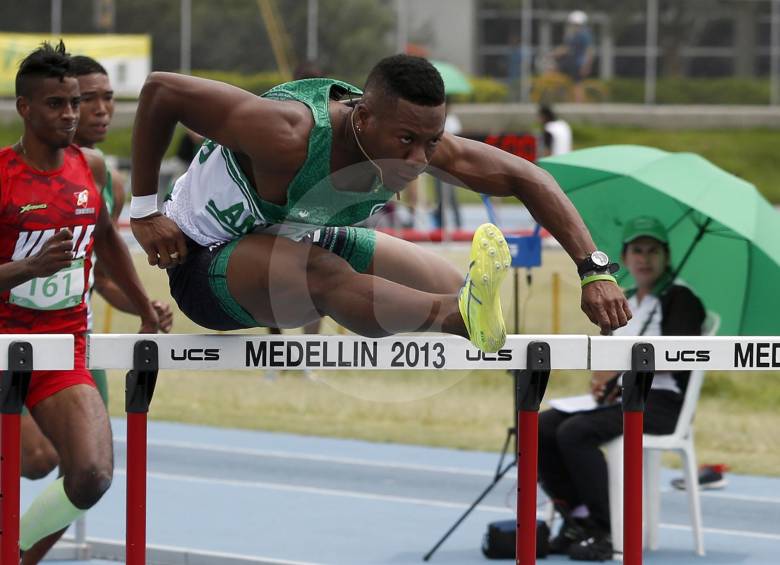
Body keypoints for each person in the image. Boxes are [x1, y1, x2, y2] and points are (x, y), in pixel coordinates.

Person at [129, 54, 630, 354]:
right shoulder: (286, 133)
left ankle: (463, 307)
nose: (418, 161)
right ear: (363, 119)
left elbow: (528, 177)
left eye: (431, 142)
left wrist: (594, 270)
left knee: (440, 281)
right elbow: (161, 90)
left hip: (294, 235)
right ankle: (459, 318)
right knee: (324, 274)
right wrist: (146, 210)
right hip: (202, 261)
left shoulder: (424, 144)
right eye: (407, 140)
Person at [0, 41, 161, 564]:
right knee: (34, 459)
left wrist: (142, 304)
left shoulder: (90, 168)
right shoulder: (2, 175)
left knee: (90, 474)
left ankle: (16, 554)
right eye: (56, 104)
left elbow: (108, 242)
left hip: (60, 345)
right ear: (24, 107)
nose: (71, 114)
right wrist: (26, 268)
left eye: (74, 102)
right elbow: (33, 267)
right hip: (1, 344)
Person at [537, 216, 706, 561]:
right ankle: (578, 518)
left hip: (661, 404)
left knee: (575, 433)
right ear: (625, 258)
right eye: (637, 251)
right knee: (542, 426)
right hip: (623, 399)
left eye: (653, 251)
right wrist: (601, 379)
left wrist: (626, 367)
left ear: (666, 256)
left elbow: (676, 358)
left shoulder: (681, 299)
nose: (645, 258)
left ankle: (605, 528)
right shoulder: (625, 300)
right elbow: (607, 355)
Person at [431, 97, 463, 230]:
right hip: (437, 166)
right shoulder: (434, 121)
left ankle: (457, 223)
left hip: (450, 167)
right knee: (439, 195)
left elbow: (457, 142)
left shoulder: (452, 121)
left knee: (451, 196)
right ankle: (441, 223)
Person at [553, 10, 594, 103]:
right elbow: (566, 48)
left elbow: (589, 51)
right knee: (558, 76)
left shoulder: (584, 35)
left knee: (577, 84)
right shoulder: (572, 34)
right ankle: (564, 99)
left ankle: (578, 105)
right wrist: (555, 53)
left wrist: (586, 66)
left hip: (578, 63)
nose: (572, 25)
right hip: (570, 62)